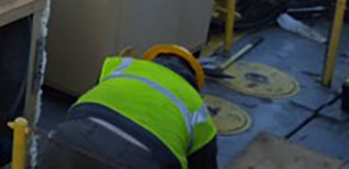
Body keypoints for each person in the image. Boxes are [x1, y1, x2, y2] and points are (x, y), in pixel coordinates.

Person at [44, 45, 219, 169]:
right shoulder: (195, 104)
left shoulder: (121, 66)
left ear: (151, 59)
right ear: (195, 82)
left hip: (69, 139)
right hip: (142, 159)